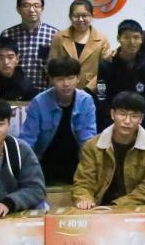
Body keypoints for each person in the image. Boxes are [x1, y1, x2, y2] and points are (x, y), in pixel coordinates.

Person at [72, 91, 145, 209]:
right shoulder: (92, 147)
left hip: (137, 208)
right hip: (99, 208)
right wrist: (84, 198)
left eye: (134, 116)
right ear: (112, 114)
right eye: (122, 114)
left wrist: (115, 206)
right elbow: (83, 181)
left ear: (141, 118)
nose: (127, 121)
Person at [18, 56, 97, 184]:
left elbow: (87, 139)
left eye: (70, 78)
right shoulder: (39, 102)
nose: (66, 84)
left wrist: (88, 170)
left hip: (76, 162)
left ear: (78, 78)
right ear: (51, 80)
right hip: (44, 162)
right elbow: (28, 139)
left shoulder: (86, 101)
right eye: (60, 79)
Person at [96, 19, 145, 128]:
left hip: (142, 119)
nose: (132, 42)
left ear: (141, 39)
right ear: (118, 38)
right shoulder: (106, 64)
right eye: (126, 37)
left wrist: (139, 118)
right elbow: (102, 96)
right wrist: (112, 119)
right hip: (113, 119)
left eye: (136, 37)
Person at [0, 0, 60, 90]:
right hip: (13, 92)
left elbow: (59, 69)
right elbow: (0, 66)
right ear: (18, 9)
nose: (32, 10)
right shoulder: (7, 35)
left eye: (36, 5)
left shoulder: (54, 35)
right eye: (26, 5)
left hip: (44, 92)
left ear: (42, 9)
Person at [48, 0, 110, 93]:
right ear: (70, 17)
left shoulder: (102, 39)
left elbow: (104, 70)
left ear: (92, 16)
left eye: (84, 15)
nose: (80, 19)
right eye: (76, 16)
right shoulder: (59, 37)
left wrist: (88, 89)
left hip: (91, 91)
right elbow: (51, 66)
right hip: (64, 91)